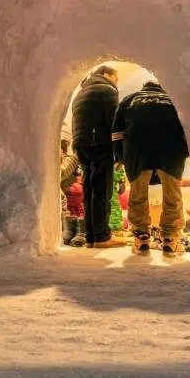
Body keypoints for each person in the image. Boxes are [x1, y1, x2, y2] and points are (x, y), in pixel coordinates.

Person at [112, 80, 189, 256]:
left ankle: (142, 240)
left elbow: (116, 133)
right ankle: (171, 241)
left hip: (137, 152)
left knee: (138, 195)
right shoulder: (173, 99)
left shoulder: (129, 100)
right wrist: (184, 153)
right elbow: (188, 130)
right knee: (172, 195)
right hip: (171, 152)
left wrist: (121, 157)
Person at [71, 66, 122, 248]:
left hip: (81, 145)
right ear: (108, 75)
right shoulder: (107, 89)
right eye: (116, 79)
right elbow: (114, 122)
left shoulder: (80, 93)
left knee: (89, 189)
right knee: (102, 189)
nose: (116, 83)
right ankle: (102, 236)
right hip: (100, 143)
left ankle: (91, 236)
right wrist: (119, 151)